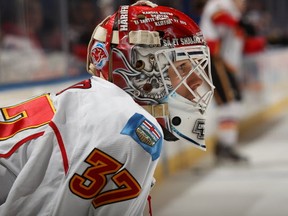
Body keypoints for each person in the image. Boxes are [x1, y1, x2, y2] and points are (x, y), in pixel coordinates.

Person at [0, 1, 214, 215]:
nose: (196, 81)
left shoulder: (96, 104)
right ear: (141, 69)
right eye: (183, 66)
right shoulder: (129, 128)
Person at [200, 0, 263, 163]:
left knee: (234, 103)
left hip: (225, 63)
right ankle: (225, 146)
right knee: (229, 102)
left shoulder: (235, 13)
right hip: (214, 58)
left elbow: (242, 43)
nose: (244, 3)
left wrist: (263, 41)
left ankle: (225, 144)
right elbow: (217, 16)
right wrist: (240, 23)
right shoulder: (221, 4)